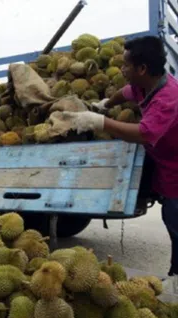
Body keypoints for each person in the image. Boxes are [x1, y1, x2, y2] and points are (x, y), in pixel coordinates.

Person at [62, 35, 178, 290]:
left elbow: (144, 133)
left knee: (176, 222)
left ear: (142, 68)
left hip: (176, 168)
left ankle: (176, 279)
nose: (122, 69)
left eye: (126, 65)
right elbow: (125, 93)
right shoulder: (145, 84)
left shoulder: (169, 98)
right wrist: (105, 104)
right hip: (164, 163)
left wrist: (99, 122)